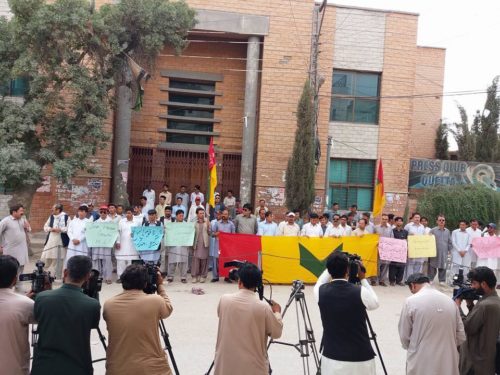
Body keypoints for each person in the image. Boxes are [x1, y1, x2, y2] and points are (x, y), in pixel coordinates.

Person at [31, 255, 100, 375]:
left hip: (44, 367)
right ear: (88, 276)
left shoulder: (42, 298)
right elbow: (93, 324)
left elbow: (38, 317)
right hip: (78, 367)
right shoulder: (92, 304)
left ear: (65, 272)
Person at [314, 251, 379, 374]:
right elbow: (375, 303)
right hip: (361, 357)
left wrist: (333, 264)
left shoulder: (320, 292)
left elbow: (320, 281)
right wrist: (363, 279)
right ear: (347, 270)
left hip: (332, 357)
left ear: (328, 269)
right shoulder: (361, 291)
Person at [103, 264, 173, 375]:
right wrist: (160, 285)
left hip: (117, 369)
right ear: (145, 283)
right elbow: (168, 309)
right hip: (152, 370)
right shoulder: (155, 301)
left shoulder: (108, 305)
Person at [214, 263, 283, 374]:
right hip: (253, 368)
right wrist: (277, 313)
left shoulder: (224, 300)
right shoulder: (263, 308)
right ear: (257, 284)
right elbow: (276, 333)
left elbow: (221, 315)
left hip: (225, 367)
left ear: (239, 281)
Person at [399, 273, 465, 375]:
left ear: (413, 285)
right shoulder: (450, 301)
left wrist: (414, 347)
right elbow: (461, 335)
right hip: (448, 359)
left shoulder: (410, 302)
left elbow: (404, 336)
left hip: (421, 359)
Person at [457, 267, 500, 375]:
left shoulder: (485, 305)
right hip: (485, 362)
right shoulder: (494, 301)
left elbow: (467, 327)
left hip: (474, 364)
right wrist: (470, 305)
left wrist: (457, 308)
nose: (472, 287)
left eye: (474, 283)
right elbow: (480, 322)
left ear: (484, 284)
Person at [0, 255, 36, 375]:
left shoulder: (23, 303)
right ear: (15, 279)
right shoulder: (25, 305)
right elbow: (45, 318)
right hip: (14, 370)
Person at [0, 204, 31, 273]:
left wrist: (27, 228)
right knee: (10, 269)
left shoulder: (23, 220)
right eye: (21, 211)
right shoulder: (6, 221)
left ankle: (19, 283)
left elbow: (29, 229)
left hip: (22, 250)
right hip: (10, 251)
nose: (22, 213)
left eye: (23, 211)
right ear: (14, 212)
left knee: (20, 269)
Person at [41, 203, 68, 273]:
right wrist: (51, 229)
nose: (51, 210)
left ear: (58, 210)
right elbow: (45, 227)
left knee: (58, 259)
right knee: (46, 257)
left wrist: (60, 230)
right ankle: (41, 273)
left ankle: (57, 276)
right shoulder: (51, 217)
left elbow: (69, 228)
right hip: (50, 241)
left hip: (60, 241)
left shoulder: (66, 217)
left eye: (53, 208)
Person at [115, 207, 140, 283]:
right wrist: (118, 242)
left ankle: (130, 278)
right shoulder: (121, 221)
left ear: (132, 213)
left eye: (129, 213)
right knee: (120, 261)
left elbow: (140, 232)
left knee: (131, 261)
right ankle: (120, 277)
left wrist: (136, 234)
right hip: (122, 244)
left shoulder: (137, 222)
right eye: (126, 213)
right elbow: (118, 232)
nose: (127, 215)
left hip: (132, 245)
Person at [210, 209, 235, 282]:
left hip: (227, 246)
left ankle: (227, 276)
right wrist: (216, 234)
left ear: (228, 215)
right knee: (216, 260)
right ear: (221, 215)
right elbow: (211, 233)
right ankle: (215, 277)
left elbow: (233, 236)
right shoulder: (217, 224)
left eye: (226, 214)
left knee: (227, 260)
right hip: (218, 245)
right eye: (223, 214)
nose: (224, 215)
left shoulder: (231, 224)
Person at [91, 205, 113, 284]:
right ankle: (97, 276)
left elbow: (114, 233)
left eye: (104, 212)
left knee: (107, 260)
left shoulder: (111, 222)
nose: (103, 214)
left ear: (107, 212)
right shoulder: (96, 222)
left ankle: (108, 277)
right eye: (101, 212)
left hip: (107, 244)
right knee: (96, 260)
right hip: (97, 243)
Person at [429, 215, 453, 285]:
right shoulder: (433, 230)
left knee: (443, 266)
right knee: (432, 266)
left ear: (445, 222)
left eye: (443, 220)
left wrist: (449, 251)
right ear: (437, 221)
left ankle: (442, 280)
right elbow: (428, 240)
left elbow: (449, 242)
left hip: (444, 252)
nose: (441, 221)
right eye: (440, 220)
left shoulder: (447, 231)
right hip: (434, 251)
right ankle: (430, 279)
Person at [166, 210, 189, 283]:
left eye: (182, 215)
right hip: (174, 245)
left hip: (183, 245)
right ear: (176, 216)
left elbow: (189, 234)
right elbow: (168, 234)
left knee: (184, 262)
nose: (181, 217)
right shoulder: (171, 225)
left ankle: (183, 277)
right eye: (180, 215)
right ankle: (170, 276)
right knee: (172, 262)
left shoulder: (187, 225)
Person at [374, 213, 393, 286]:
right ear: (381, 219)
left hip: (386, 249)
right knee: (377, 265)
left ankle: (382, 280)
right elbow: (372, 237)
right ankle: (374, 280)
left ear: (388, 220)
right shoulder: (376, 227)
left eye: (386, 219)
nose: (384, 220)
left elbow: (392, 239)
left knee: (385, 265)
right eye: (383, 219)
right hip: (377, 249)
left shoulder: (390, 228)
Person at [192, 207, 210, 283]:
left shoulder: (207, 222)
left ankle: (203, 276)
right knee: (196, 260)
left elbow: (210, 233)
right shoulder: (194, 222)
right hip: (196, 243)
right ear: (197, 214)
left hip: (204, 243)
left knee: (204, 260)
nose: (202, 215)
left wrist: (209, 226)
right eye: (200, 213)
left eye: (203, 213)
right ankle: (195, 276)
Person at [389, 217, 408, 286]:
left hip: (402, 252)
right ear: (395, 222)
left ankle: (399, 281)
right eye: (397, 221)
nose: (399, 222)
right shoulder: (392, 231)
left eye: (400, 221)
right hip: (394, 252)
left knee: (401, 266)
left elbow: (408, 241)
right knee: (393, 266)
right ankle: (392, 281)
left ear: (402, 223)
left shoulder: (405, 232)